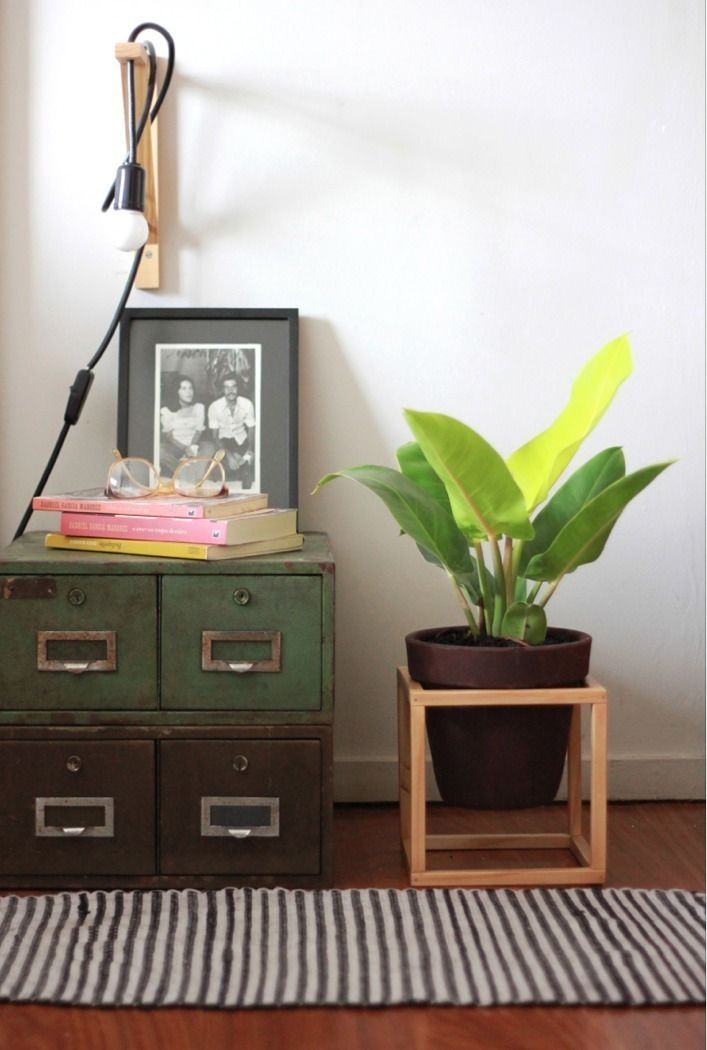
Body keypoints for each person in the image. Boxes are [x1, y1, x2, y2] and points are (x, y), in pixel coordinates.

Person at [207, 372, 256, 488]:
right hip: (224, 443)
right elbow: (214, 436)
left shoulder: (247, 404)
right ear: (222, 390)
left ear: (238, 388)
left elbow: (251, 429)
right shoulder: (214, 407)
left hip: (242, 440)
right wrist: (229, 455)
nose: (230, 390)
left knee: (248, 470)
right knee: (214, 474)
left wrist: (249, 450)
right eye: (226, 387)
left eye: (233, 386)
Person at [159, 375, 205, 474]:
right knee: (159, 452)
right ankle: (183, 471)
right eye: (184, 388)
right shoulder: (166, 411)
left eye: (190, 388)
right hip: (175, 446)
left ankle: (191, 468)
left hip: (195, 445)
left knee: (210, 447)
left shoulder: (199, 407)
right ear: (176, 392)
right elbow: (168, 436)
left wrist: (191, 448)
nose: (189, 392)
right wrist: (184, 448)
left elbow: (198, 431)